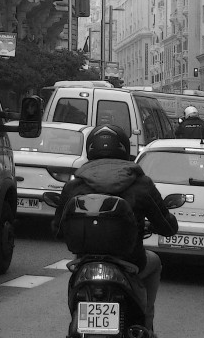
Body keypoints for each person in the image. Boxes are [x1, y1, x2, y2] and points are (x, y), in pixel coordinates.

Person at [53, 124, 178, 336]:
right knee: (154, 262)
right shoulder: (140, 183)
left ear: (90, 148)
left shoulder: (75, 185)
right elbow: (167, 227)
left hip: (85, 264)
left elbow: (57, 229)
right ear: (123, 148)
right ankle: (145, 324)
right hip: (131, 262)